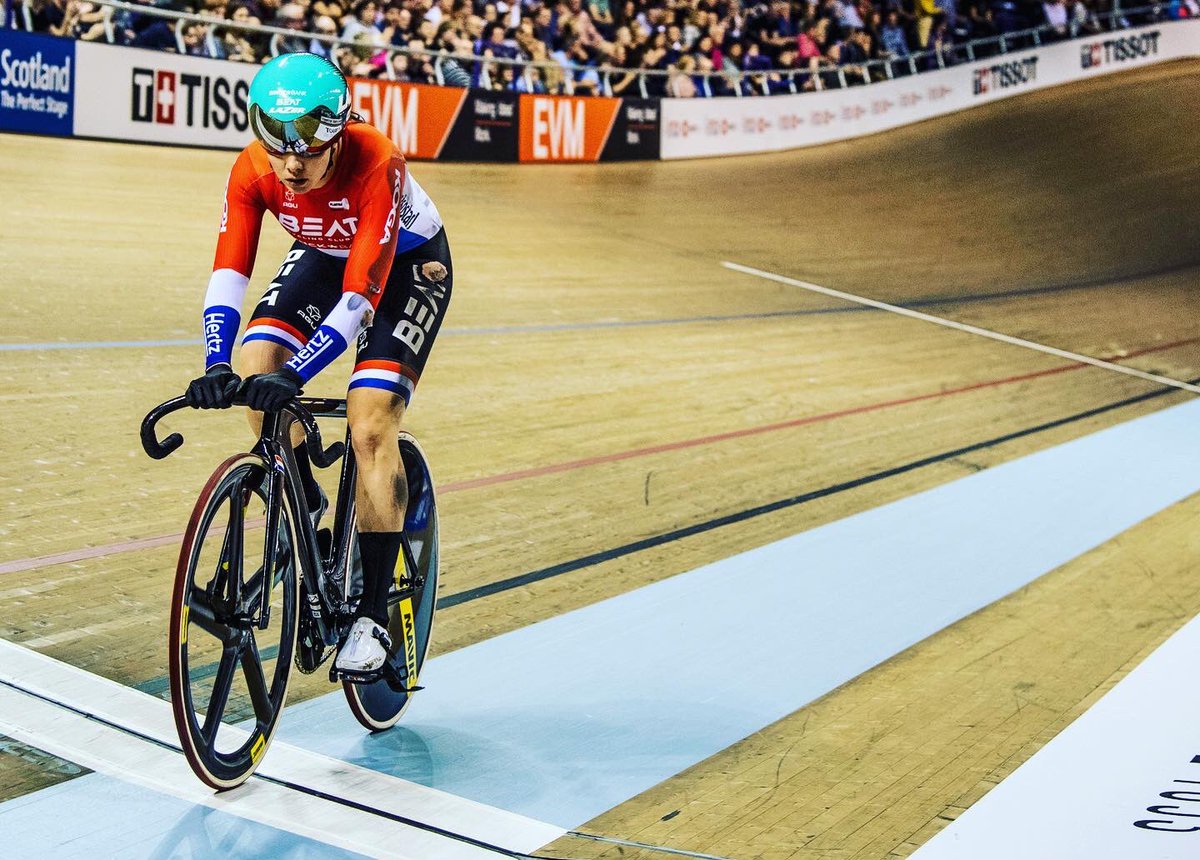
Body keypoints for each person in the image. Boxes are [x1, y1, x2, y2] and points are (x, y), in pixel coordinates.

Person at [184, 53, 452, 678]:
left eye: (307, 147)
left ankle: (371, 619)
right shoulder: (253, 169)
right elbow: (229, 271)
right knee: (255, 363)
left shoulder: (377, 160)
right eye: (278, 147)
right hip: (326, 252)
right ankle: (301, 495)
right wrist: (215, 361)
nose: (292, 165)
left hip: (406, 266)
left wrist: (297, 374)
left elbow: (361, 296)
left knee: (369, 423)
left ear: (339, 129)